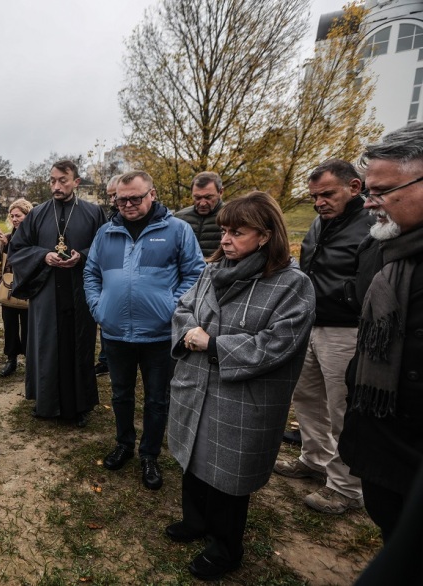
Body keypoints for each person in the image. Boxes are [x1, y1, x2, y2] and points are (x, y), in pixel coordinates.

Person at [166, 191, 315, 581]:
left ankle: (227, 547)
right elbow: (183, 308)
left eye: (238, 232)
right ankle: (195, 522)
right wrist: (188, 332)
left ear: (265, 236)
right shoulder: (211, 270)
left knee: (228, 476)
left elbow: (278, 343)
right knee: (194, 459)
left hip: (241, 397)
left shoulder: (291, 284)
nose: (226, 239)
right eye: (224, 230)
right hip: (195, 384)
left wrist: (213, 344)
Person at [84, 171, 205, 490]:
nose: (127, 205)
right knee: (121, 394)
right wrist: (99, 308)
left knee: (157, 399)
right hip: (115, 333)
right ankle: (124, 443)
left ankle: (149, 454)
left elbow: (195, 273)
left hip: (159, 335)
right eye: (121, 199)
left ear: (152, 194)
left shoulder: (177, 230)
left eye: (135, 198)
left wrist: (172, 307)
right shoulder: (105, 233)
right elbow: (91, 273)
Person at [272, 159, 372, 515]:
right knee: (307, 395)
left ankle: (346, 487)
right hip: (310, 324)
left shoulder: (372, 224)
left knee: (341, 406)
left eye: (327, 194)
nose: (319, 202)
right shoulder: (319, 223)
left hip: (347, 329)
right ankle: (314, 458)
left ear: (355, 187)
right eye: (315, 196)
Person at [339, 122, 423, 542]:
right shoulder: (381, 248)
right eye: (368, 191)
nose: (369, 204)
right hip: (383, 444)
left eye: (381, 191)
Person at [8, 159, 106, 427]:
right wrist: (44, 256)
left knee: (80, 346)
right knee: (47, 346)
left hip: (79, 291)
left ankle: (80, 406)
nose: (56, 185)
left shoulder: (93, 212)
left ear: (76, 182)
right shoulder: (38, 214)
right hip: (46, 291)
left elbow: (105, 247)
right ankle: (46, 403)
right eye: (52, 180)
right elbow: (17, 249)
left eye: (63, 180)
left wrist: (83, 255)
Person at [0, 198, 34, 377]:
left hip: (29, 287)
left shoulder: (34, 236)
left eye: (19, 215)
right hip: (8, 287)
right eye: (12, 216)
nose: (15, 219)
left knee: (30, 327)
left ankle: (31, 360)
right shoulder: (7, 237)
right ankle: (11, 359)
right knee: (10, 326)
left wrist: (11, 246)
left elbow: (31, 255)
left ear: (28, 216)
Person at [94, 174, 122, 378]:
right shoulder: (109, 218)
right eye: (110, 196)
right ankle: (106, 359)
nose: (112, 200)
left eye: (115, 195)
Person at [175, 171, 225, 257]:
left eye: (208, 197)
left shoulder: (233, 216)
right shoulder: (179, 218)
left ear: (220, 192)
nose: (202, 203)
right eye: (197, 198)